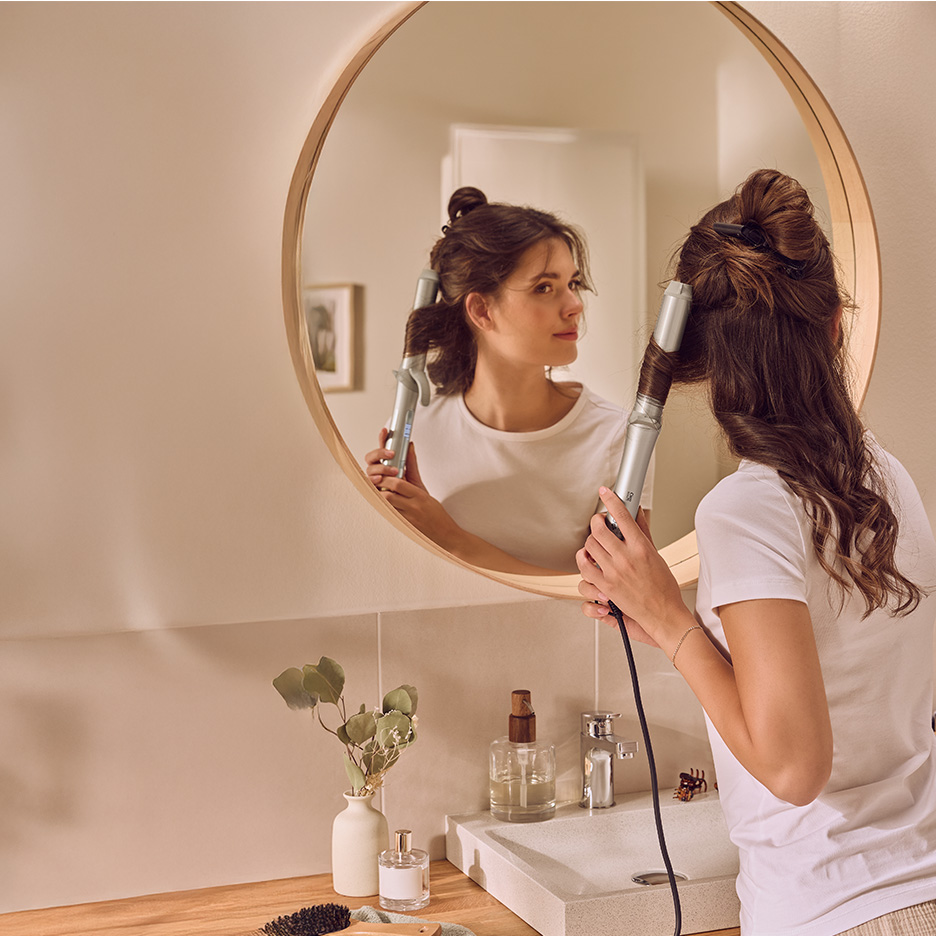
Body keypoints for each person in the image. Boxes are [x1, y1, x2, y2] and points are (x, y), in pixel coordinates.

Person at [578, 169, 936, 935]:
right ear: (834, 325)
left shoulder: (745, 510)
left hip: (836, 912)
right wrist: (673, 626)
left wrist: (672, 621)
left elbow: (795, 769)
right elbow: (834, 681)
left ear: (700, 359)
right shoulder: (884, 478)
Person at [366, 186, 652, 575]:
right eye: (544, 287)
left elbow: (618, 596)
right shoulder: (417, 432)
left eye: (573, 283)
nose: (575, 305)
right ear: (482, 310)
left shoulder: (616, 437)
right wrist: (391, 517)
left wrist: (449, 537)